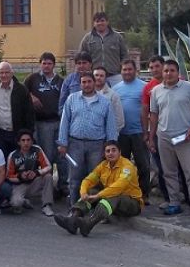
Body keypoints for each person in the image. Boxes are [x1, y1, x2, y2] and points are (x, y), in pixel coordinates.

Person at [148, 59, 190, 219]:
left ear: (178, 72)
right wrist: (151, 138)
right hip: (164, 137)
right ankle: (174, 203)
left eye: (172, 70)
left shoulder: (189, 88)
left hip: (185, 137)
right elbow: (153, 116)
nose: (168, 73)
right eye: (166, 71)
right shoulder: (156, 91)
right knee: (169, 172)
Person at [53, 141, 143, 236]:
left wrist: (99, 195)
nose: (110, 153)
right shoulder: (103, 165)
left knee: (114, 195)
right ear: (104, 154)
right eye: (107, 151)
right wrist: (84, 193)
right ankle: (72, 220)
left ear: (120, 152)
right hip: (112, 202)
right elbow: (88, 180)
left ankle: (89, 224)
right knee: (91, 192)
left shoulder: (127, 166)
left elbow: (118, 187)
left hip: (132, 204)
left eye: (113, 150)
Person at [57, 71, 118, 206]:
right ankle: (74, 208)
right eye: (84, 82)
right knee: (74, 179)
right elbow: (64, 122)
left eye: (89, 81)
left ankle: (93, 209)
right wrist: (63, 143)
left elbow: (111, 127)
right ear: (80, 84)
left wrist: (110, 147)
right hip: (75, 144)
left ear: (94, 83)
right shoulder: (72, 99)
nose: (87, 84)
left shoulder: (105, 102)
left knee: (95, 179)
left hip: (97, 146)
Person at [142, 55, 189, 208]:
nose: (155, 70)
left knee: (184, 167)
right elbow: (147, 112)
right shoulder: (149, 88)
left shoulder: (181, 83)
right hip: (159, 133)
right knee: (163, 168)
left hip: (181, 132)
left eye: (157, 66)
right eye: (152, 67)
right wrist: (148, 135)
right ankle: (169, 199)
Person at [23, 52, 66, 196]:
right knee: (47, 155)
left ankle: (63, 185)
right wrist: (31, 96)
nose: (46, 66)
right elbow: (21, 91)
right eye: (44, 63)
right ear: (40, 64)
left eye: (49, 63)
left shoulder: (61, 81)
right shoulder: (32, 79)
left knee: (62, 155)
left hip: (59, 122)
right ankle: (46, 187)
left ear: (54, 65)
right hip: (42, 123)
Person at [112, 59, 151, 200]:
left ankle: (144, 195)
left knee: (143, 165)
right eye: (124, 69)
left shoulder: (144, 87)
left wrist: (148, 132)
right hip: (122, 134)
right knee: (123, 167)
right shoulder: (115, 89)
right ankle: (125, 194)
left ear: (136, 70)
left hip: (139, 132)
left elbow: (150, 109)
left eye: (130, 69)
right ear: (121, 71)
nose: (127, 72)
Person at [0, 61, 34, 159]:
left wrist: (29, 132)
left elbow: (29, 113)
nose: (4, 75)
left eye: (7, 72)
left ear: (12, 73)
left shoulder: (21, 90)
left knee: (17, 161)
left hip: (17, 133)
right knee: (1, 160)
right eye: (1, 73)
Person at [6, 129, 54, 216]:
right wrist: (20, 176)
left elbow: (48, 166)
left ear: (32, 141)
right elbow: (9, 176)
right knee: (16, 204)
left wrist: (37, 173)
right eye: (23, 140)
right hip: (19, 185)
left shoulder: (37, 150)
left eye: (28, 140)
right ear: (18, 142)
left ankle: (46, 205)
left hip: (34, 182)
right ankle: (23, 201)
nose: (26, 143)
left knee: (48, 177)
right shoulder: (13, 155)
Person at [78, 11, 128, 87]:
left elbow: (125, 56)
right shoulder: (87, 38)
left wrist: (122, 69)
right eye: (97, 21)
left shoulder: (117, 37)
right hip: (95, 76)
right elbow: (81, 57)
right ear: (94, 23)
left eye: (102, 20)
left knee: (116, 97)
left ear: (107, 22)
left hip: (114, 76)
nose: (100, 23)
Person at [93, 66, 125, 132]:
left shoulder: (113, 95)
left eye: (101, 76)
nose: (98, 78)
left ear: (106, 78)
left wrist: (111, 135)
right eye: (96, 75)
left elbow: (119, 120)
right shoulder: (85, 94)